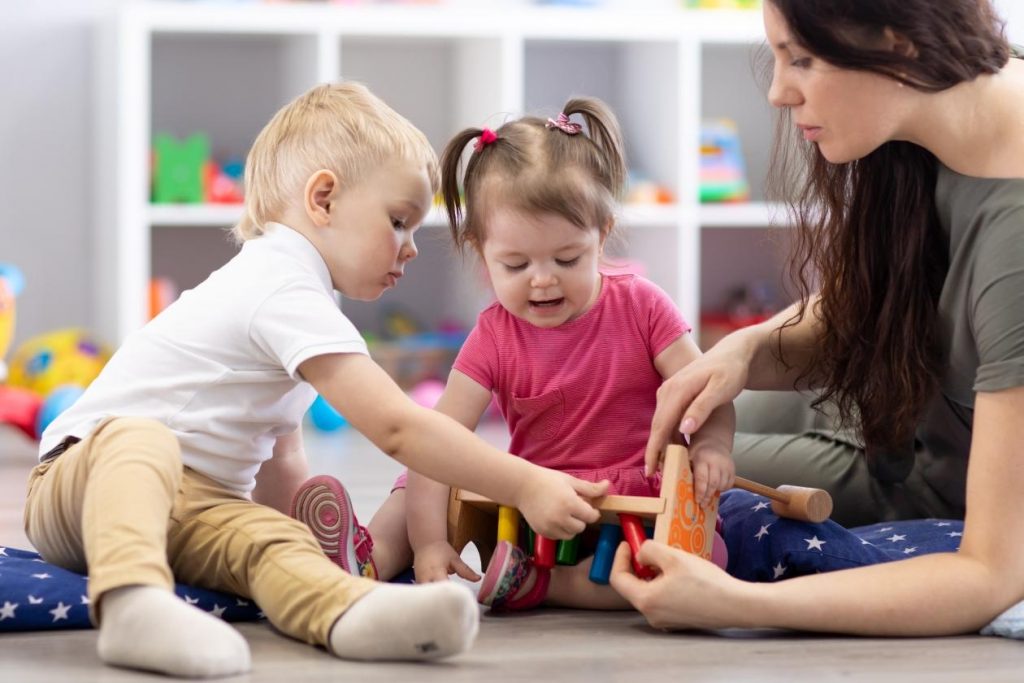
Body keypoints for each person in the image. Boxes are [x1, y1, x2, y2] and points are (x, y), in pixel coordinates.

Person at [23, 82, 609, 679]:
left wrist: (306, 538)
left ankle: (349, 613)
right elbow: (398, 427)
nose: (410, 250)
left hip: (192, 505)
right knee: (139, 437)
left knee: (272, 543)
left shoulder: (307, 303)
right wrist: (525, 484)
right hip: (82, 481)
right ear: (324, 199)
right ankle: (132, 602)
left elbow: (282, 454)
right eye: (399, 221)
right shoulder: (279, 280)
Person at [612, 0, 1024, 636]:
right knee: (630, 421)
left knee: (621, 473)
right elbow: (878, 304)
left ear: (899, 44)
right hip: (902, 409)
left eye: (801, 59)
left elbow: (991, 575)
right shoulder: (938, 118)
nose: (778, 92)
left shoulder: (1015, 238)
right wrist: (743, 351)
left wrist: (732, 604)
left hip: (939, 471)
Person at [390, 96, 733, 611]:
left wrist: (712, 447)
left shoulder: (642, 304)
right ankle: (363, 560)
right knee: (408, 486)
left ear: (603, 236)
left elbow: (706, 390)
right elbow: (434, 444)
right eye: (515, 264)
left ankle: (544, 586)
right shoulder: (494, 335)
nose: (543, 278)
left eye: (568, 258)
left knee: (708, 564)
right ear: (481, 252)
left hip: (638, 503)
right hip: (542, 509)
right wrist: (428, 544)